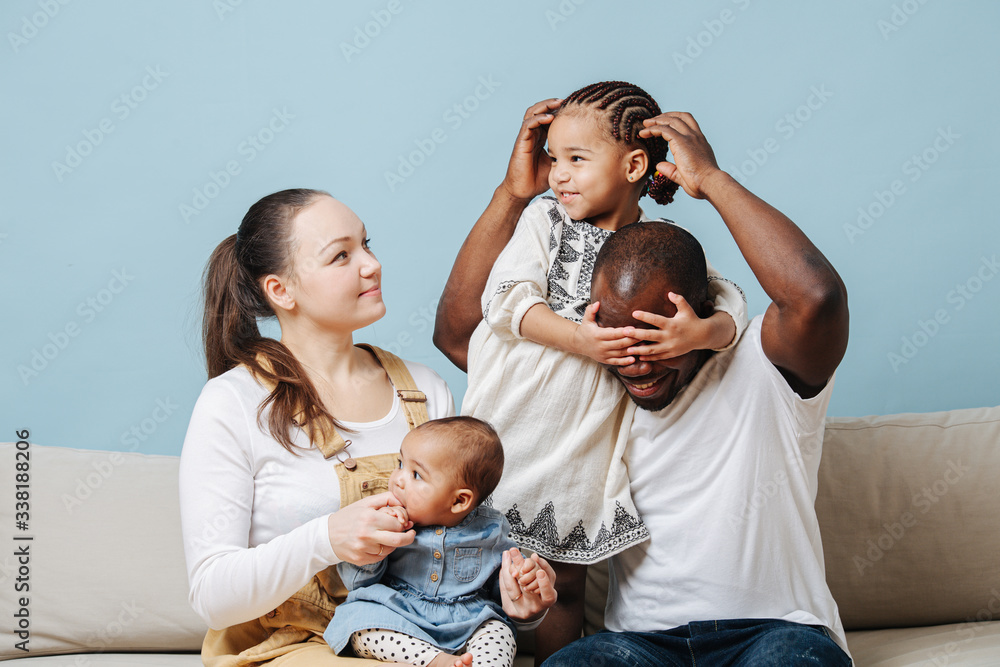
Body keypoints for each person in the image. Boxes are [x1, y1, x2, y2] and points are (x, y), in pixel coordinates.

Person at [434, 103, 853, 666]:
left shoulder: (761, 369)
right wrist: (512, 196)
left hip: (772, 633)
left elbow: (817, 298)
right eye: (615, 335)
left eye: (654, 338)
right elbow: (462, 332)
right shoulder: (591, 388)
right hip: (639, 647)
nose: (634, 362)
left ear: (696, 315)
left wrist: (711, 180)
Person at [180, 189, 556, 666]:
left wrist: (521, 609)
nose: (371, 264)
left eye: (366, 244)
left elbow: (454, 557)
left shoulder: (425, 390)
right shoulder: (233, 401)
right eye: (341, 256)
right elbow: (212, 595)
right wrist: (327, 538)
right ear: (281, 290)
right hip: (290, 648)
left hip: (420, 643)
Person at [457, 81, 748, 661]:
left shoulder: (659, 248)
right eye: (553, 159)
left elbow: (731, 301)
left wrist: (700, 332)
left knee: (560, 586)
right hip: (514, 422)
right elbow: (506, 300)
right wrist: (580, 340)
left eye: (576, 159)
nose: (557, 174)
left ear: (634, 164)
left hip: (580, 446)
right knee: (478, 569)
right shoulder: (544, 221)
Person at [325, 416, 556, 667]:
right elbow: (358, 583)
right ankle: (435, 661)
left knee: (499, 630)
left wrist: (523, 580)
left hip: (466, 620)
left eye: (416, 474)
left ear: (459, 501)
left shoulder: (491, 530)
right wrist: (380, 540)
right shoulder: (384, 516)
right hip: (399, 613)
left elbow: (503, 591)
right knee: (359, 622)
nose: (398, 478)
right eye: (400, 463)